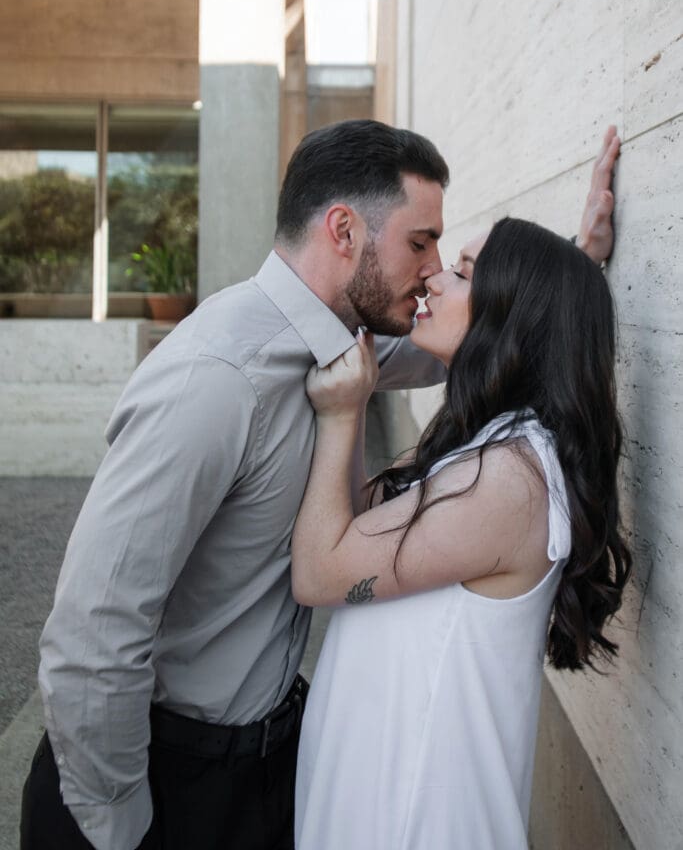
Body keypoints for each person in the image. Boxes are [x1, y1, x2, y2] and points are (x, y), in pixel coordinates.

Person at [21, 119, 620, 850]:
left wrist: (576, 265)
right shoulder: (214, 378)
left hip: (267, 772)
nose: (432, 269)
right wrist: (118, 826)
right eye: (419, 242)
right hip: (161, 779)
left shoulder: (354, 344)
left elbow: (492, 333)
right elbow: (94, 628)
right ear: (343, 231)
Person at [292, 217, 632, 849]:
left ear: (513, 314)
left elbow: (319, 572)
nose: (433, 278)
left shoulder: (510, 478)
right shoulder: (482, 446)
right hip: (383, 797)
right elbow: (358, 521)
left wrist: (341, 415)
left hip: (417, 820)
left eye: (463, 272)